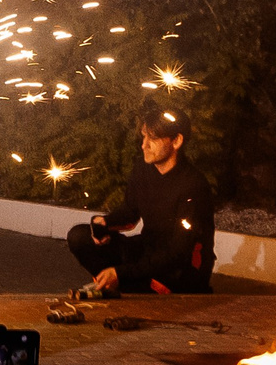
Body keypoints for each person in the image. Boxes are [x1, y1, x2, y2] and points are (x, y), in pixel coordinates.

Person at [66, 102, 213, 298]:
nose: (144, 145)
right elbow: (130, 212)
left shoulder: (193, 186)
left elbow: (179, 253)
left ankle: (129, 285)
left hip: (182, 268)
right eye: (144, 136)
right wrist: (105, 224)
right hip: (148, 249)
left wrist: (121, 272)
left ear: (176, 141)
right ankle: (128, 285)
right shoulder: (143, 169)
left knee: (156, 277)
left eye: (153, 138)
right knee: (79, 236)